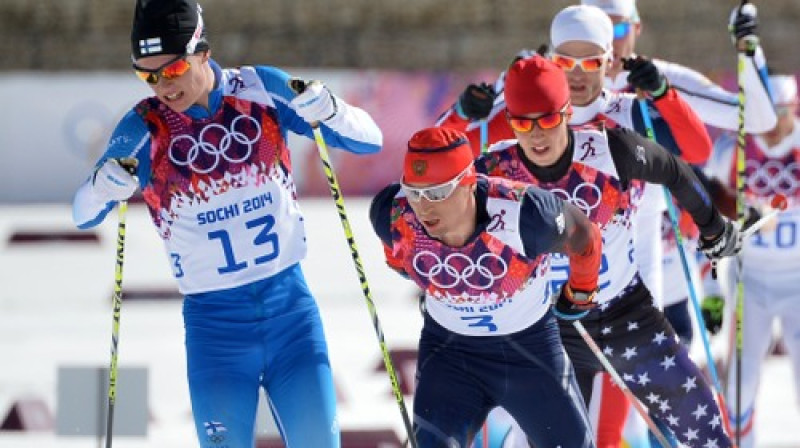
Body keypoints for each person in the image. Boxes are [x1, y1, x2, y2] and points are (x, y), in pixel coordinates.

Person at [71, 1, 383, 446]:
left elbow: (371, 140)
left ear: (202, 51)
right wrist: (103, 186)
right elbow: (82, 213)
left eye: (174, 68)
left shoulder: (261, 89)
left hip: (290, 313)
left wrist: (330, 109)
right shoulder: (146, 126)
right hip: (215, 332)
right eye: (147, 74)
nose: (163, 85)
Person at [478, 55, 742, 447]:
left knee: (704, 429)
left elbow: (673, 169)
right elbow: (439, 218)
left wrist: (713, 226)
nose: (536, 136)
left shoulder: (607, 149)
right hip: (547, 331)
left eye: (548, 120)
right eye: (522, 123)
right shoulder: (493, 172)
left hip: (623, 314)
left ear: (567, 111)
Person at [370, 126, 603, 447]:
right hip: (451, 356)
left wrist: (580, 292)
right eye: (414, 191)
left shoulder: (530, 216)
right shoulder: (393, 214)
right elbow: (399, 261)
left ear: (468, 183)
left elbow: (587, 237)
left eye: (437, 192)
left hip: (530, 354)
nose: (424, 207)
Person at [702, 73, 800, 448]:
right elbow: (704, 223)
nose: (773, 126)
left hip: (797, 283)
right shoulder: (733, 152)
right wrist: (711, 289)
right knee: (739, 387)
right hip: (750, 284)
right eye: (765, 115)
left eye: (781, 114)